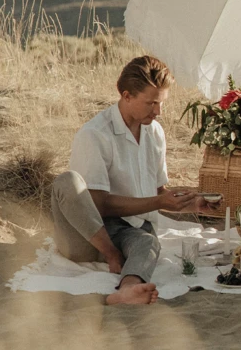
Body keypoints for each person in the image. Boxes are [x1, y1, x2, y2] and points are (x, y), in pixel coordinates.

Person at [51, 55, 217, 305]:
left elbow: (159, 191)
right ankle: (112, 255)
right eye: (151, 103)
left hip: (132, 231)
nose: (158, 111)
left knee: (148, 243)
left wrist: (189, 203)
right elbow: (98, 205)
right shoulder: (95, 134)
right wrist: (157, 203)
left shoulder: (155, 132)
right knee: (67, 181)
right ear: (126, 96)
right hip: (90, 233)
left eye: (161, 103)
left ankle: (127, 289)